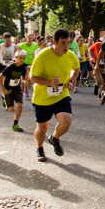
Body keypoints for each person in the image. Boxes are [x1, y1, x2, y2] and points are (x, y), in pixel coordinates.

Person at [30, 28, 80, 162]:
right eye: (63, 43)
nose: (66, 46)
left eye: (68, 43)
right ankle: (39, 148)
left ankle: (54, 138)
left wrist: (70, 80)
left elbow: (76, 69)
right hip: (43, 98)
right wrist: (49, 82)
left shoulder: (70, 55)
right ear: (54, 42)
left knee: (66, 121)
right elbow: (32, 77)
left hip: (61, 95)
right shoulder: (42, 55)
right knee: (41, 129)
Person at [0, 50, 29, 132]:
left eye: (24, 58)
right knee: (11, 109)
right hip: (8, 89)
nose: (22, 60)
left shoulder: (23, 67)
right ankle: (3, 96)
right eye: (20, 58)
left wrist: (24, 82)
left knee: (20, 106)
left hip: (17, 88)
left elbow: (22, 78)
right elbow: (0, 77)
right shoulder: (10, 67)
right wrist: (3, 90)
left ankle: (15, 124)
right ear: (16, 58)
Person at [18, 33, 39, 99]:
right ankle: (23, 89)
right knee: (24, 77)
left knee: (28, 77)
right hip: (24, 63)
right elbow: (17, 48)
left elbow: (38, 51)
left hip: (31, 63)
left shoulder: (35, 45)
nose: (30, 40)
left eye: (31, 38)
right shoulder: (22, 45)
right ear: (26, 39)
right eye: (29, 38)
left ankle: (24, 90)